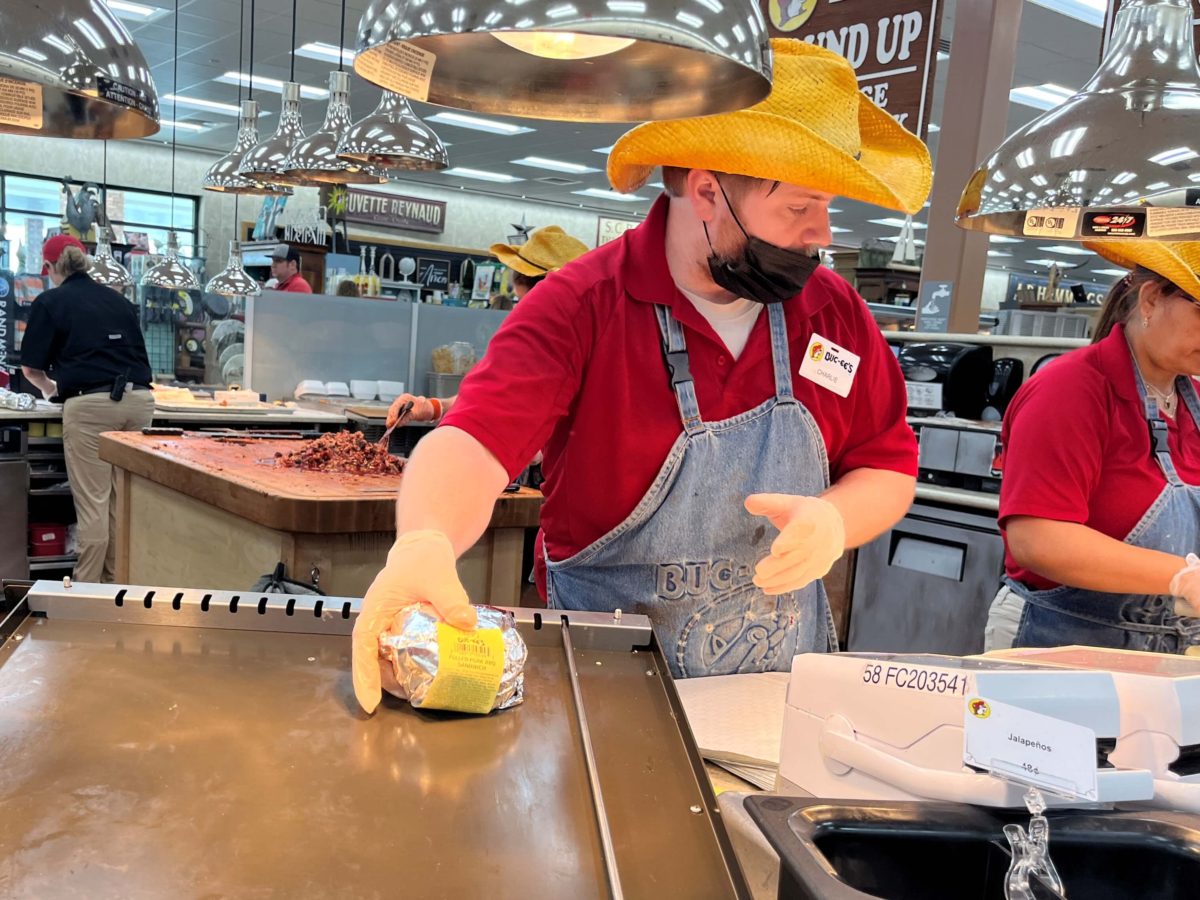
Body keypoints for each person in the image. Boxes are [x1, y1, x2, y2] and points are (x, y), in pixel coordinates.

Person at [352, 39, 932, 713]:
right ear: (709, 191)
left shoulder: (833, 313)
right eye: (799, 208)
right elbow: (474, 443)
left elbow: (887, 465)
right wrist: (425, 538)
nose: (820, 232)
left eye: (826, 208)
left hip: (772, 704)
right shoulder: (583, 305)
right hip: (604, 700)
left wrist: (836, 518)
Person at [985, 240, 1200, 654]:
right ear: (1152, 299)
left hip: (1163, 653)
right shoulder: (1069, 389)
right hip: (1058, 644)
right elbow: (1037, 539)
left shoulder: (1191, 404)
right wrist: (1181, 576)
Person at [20, 234, 155, 583]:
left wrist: (51, 390)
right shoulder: (119, 301)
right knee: (120, 504)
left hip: (92, 406)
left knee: (94, 503)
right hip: (139, 403)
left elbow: (31, 370)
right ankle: (117, 589)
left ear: (49, 267)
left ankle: (85, 593)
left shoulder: (51, 301)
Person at [383, 224, 590, 427]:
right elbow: (488, 393)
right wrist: (432, 407)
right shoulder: (531, 342)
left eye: (527, 301)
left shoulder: (582, 345)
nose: (524, 311)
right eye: (520, 302)